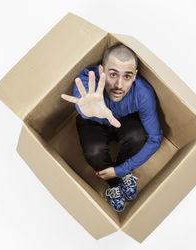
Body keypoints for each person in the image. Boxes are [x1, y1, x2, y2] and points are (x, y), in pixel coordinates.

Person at [61, 44, 163, 212]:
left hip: (124, 121)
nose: (119, 85)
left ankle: (121, 175)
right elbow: (83, 98)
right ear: (101, 70)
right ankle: (113, 184)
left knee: (138, 136)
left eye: (127, 76)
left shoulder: (143, 93)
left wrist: (121, 169)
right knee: (94, 151)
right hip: (93, 122)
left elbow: (155, 138)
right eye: (113, 74)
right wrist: (87, 111)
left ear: (135, 75)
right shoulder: (88, 80)